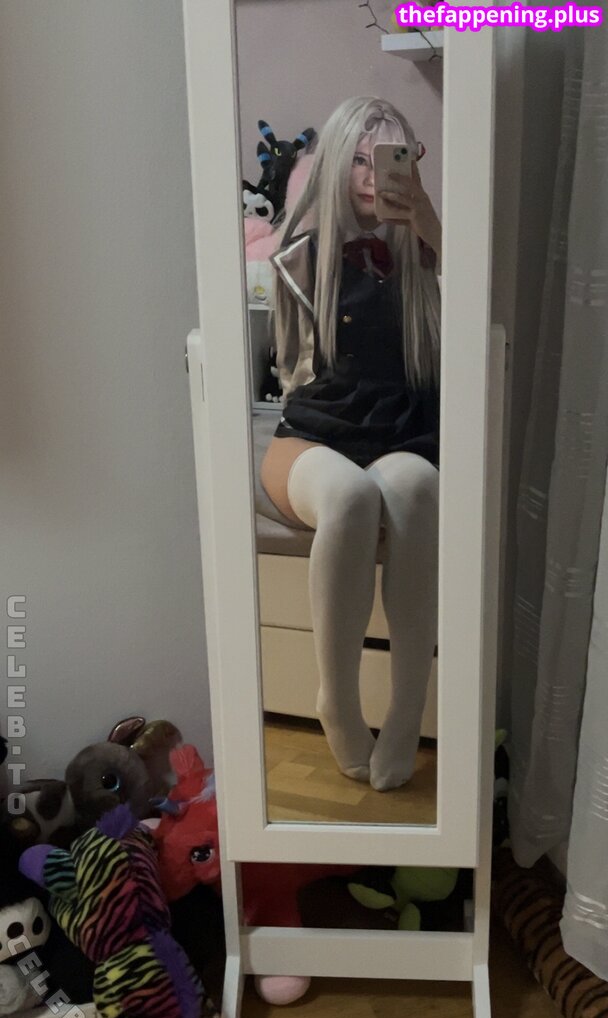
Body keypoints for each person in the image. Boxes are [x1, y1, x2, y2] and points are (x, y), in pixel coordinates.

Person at [260, 97, 442, 792]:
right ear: (336, 166)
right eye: (358, 161)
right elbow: (292, 373)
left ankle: (407, 705)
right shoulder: (302, 257)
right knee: (348, 496)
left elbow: (480, 327)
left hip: (403, 431)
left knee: (417, 489)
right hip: (314, 433)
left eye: (389, 160)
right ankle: (335, 697)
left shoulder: (429, 256)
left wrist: (428, 225)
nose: (372, 176)